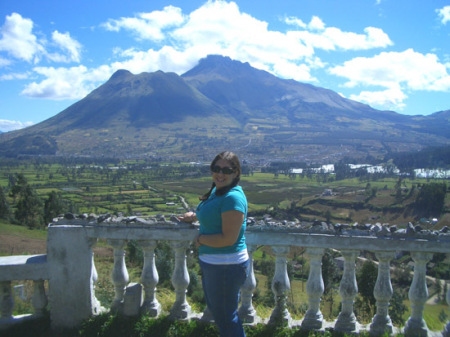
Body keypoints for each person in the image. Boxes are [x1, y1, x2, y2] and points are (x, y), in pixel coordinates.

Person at [179, 151, 249, 337]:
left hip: (226, 265)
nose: (220, 173)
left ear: (236, 173)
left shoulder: (232, 198)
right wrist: (194, 216)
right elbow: (214, 213)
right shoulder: (218, 192)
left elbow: (228, 238)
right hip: (216, 264)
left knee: (226, 317)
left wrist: (200, 240)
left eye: (226, 170)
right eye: (216, 168)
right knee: (221, 315)